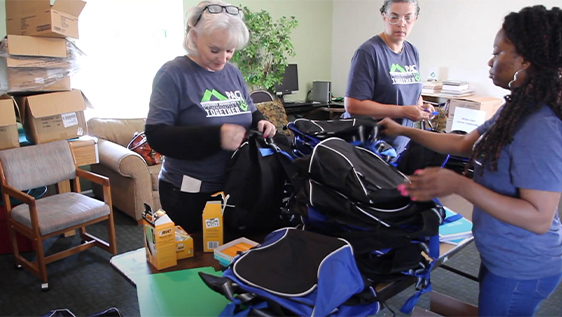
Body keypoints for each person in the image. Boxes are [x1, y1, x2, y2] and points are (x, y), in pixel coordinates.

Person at [379, 5, 562, 316]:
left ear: (524, 61)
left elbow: (539, 217)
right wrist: (401, 130)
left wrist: (459, 184)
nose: (490, 61)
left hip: (523, 265)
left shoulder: (539, 126)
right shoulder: (517, 107)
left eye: (497, 52)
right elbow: (465, 142)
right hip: (501, 253)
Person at [145, 0, 276, 233]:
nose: (223, 59)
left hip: (233, 187)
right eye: (215, 50)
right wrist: (217, 136)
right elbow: (157, 136)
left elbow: (247, 109)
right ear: (194, 37)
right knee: (197, 263)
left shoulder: (232, 72)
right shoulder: (173, 74)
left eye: (230, 50)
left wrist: (261, 121)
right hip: (188, 193)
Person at [343, 0, 433, 156]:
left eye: (408, 18)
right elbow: (353, 106)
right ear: (384, 17)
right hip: (370, 147)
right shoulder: (369, 52)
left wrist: (422, 108)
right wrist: (404, 111)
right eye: (394, 17)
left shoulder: (412, 51)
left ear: (415, 19)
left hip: (401, 145)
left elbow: (413, 92)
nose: (401, 24)